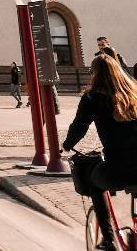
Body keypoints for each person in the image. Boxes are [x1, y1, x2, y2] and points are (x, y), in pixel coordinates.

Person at [63, 53, 137, 251]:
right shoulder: (134, 92)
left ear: (94, 74)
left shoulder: (92, 97)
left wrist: (68, 144)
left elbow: (80, 126)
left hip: (118, 167)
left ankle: (108, 240)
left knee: (95, 184)